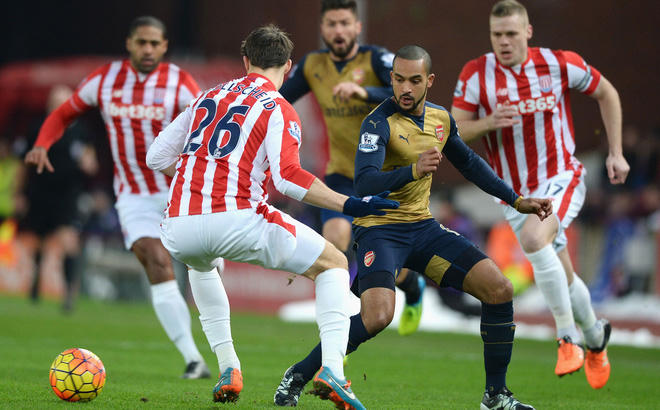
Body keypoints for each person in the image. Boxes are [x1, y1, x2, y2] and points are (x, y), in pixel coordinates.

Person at [275, 45, 551, 409]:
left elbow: (470, 164)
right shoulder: (377, 122)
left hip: (423, 228)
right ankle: (298, 374)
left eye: (415, 80)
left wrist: (516, 200)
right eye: (400, 79)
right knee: (377, 317)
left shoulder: (441, 119)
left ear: (429, 81)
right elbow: (365, 182)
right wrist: (413, 170)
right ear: (391, 79)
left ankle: (496, 396)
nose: (406, 88)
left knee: (499, 289)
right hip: (379, 230)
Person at [146, 24, 398, 409]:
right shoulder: (278, 107)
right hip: (236, 217)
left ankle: (229, 367)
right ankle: (332, 368)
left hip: (178, 226)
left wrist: (202, 177)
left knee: (201, 266)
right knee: (333, 263)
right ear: (289, 66)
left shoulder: (206, 96)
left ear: (246, 61)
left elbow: (156, 157)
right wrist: (348, 204)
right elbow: (288, 178)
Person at [450, 0, 628, 389]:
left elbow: (607, 92)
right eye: (497, 35)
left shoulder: (558, 64)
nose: (504, 42)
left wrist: (615, 152)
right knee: (562, 273)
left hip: (560, 177)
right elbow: (453, 130)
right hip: (514, 196)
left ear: (528, 32)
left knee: (534, 238)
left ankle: (568, 338)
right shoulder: (476, 74)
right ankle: (596, 336)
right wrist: (488, 122)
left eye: (511, 34)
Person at [24, 16, 212, 379]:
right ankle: (193, 358)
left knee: (203, 263)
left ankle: (220, 339)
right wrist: (43, 142)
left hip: (178, 190)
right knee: (157, 261)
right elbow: (64, 112)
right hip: (133, 196)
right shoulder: (105, 80)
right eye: (141, 42)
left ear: (164, 46)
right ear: (129, 43)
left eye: (154, 43)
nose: (148, 49)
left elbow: (210, 121)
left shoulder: (179, 82)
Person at [280, 0, 426, 336]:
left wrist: (364, 92)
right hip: (341, 174)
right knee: (335, 241)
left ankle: (411, 284)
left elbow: (408, 93)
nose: (338, 30)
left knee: (382, 256)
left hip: (384, 175)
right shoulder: (312, 65)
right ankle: (339, 330)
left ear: (357, 27)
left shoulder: (376, 59)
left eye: (345, 23)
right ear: (322, 28)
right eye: (332, 24)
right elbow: (279, 98)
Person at [21, 85, 97, 312]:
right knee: (38, 241)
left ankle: (69, 293)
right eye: (55, 102)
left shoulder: (80, 131)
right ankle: (36, 281)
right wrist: (19, 193)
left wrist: (89, 163)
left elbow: (91, 161)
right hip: (40, 192)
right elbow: (23, 162)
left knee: (69, 241)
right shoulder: (37, 128)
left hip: (67, 195)